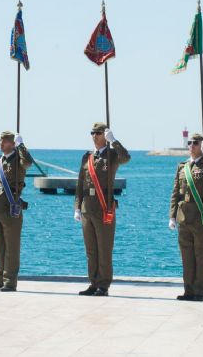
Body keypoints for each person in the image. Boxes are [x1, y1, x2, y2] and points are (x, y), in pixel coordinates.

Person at [74, 122, 130, 297]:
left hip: (104, 208)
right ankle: (93, 283)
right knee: (91, 250)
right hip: (87, 209)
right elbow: (80, 183)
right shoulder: (87, 157)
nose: (94, 136)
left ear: (104, 135)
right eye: (92, 133)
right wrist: (77, 207)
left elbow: (126, 157)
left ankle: (103, 285)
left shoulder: (112, 155)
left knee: (104, 249)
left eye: (98, 133)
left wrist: (113, 141)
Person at [168, 133, 203, 302]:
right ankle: (189, 290)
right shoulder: (182, 166)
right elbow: (175, 193)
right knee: (187, 257)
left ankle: (199, 292)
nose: (191, 145)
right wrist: (172, 216)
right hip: (184, 217)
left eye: (196, 143)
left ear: (202, 145)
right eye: (190, 143)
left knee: (202, 256)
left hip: (200, 216)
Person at [0, 131, 33, 292]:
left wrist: (21, 145)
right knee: (0, 247)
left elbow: (28, 163)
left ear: (12, 144)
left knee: (12, 248)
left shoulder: (19, 160)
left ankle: (10, 282)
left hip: (10, 208)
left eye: (4, 142)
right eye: (0, 141)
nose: (1, 144)